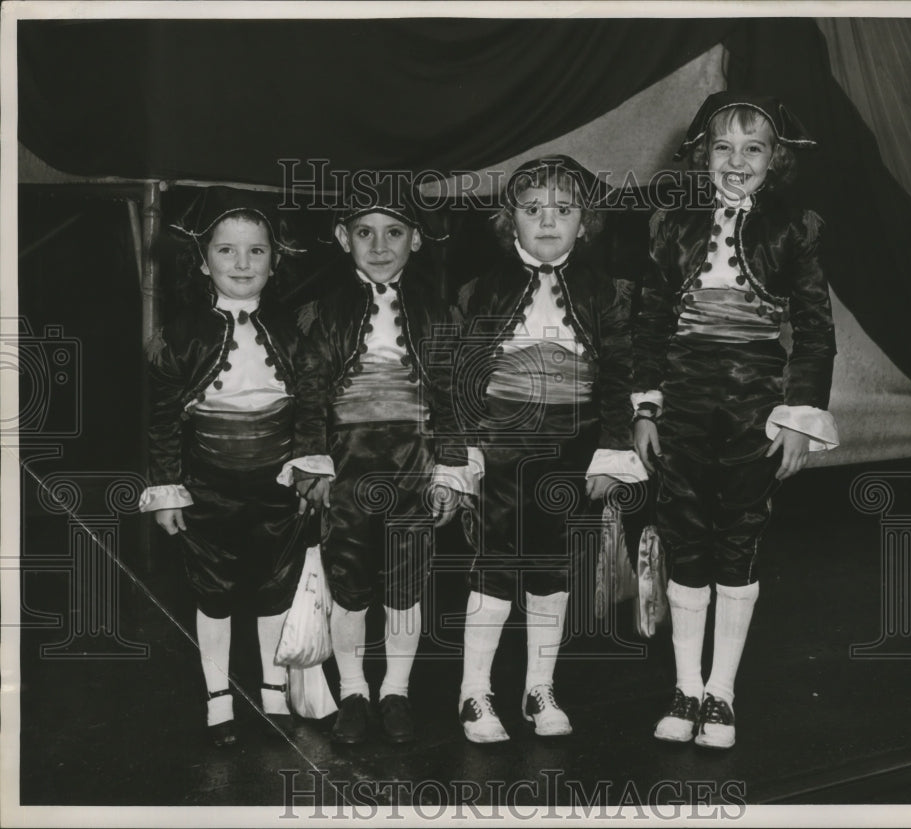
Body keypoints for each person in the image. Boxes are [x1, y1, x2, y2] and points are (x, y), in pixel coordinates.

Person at [632, 92, 839, 750]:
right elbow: (651, 322)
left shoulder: (795, 228)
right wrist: (645, 406)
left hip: (756, 411)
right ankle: (685, 684)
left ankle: (722, 690)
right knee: (683, 533)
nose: (737, 160)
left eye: (753, 148)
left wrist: (802, 417)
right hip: (685, 407)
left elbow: (814, 331)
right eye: (723, 146)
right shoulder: (672, 225)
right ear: (702, 155)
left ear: (774, 159)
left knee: (739, 538)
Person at [452, 155, 647, 743]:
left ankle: (540, 687)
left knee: (552, 569)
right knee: (492, 567)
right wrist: (460, 453)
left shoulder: (606, 293)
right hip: (500, 449)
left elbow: (617, 376)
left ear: (584, 223)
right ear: (508, 219)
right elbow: (460, 375)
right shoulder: (479, 289)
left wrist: (613, 454)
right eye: (532, 209)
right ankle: (474, 691)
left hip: (571, 451)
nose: (546, 221)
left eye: (563, 211)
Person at [285, 179, 469, 745]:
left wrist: (451, 471)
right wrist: (313, 468)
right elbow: (311, 396)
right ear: (344, 238)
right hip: (347, 476)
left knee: (405, 587)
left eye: (394, 232)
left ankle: (397, 691)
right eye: (365, 232)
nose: (380, 245)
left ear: (415, 240)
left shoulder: (438, 315)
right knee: (349, 585)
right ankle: (354, 692)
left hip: (413, 472)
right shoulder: (321, 314)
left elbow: (452, 398)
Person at [140, 186, 313, 748]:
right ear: (202, 258)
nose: (242, 264)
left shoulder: (293, 329)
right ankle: (218, 696)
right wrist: (167, 488)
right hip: (208, 483)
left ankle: (273, 690)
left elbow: (311, 403)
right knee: (211, 588)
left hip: (278, 482)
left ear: (275, 259)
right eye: (226, 251)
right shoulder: (180, 335)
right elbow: (162, 418)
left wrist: (312, 467)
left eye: (256, 251)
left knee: (275, 585)